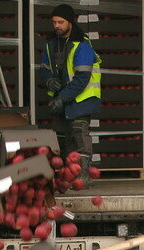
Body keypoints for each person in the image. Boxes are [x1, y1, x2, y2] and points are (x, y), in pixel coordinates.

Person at [41, 4, 102, 188]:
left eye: (61, 22)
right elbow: (44, 68)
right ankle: (69, 176)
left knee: (79, 135)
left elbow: (82, 78)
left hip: (81, 100)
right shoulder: (51, 44)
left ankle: (84, 176)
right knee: (64, 139)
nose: (57, 25)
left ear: (71, 22)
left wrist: (62, 98)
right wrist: (49, 80)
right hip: (64, 101)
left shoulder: (82, 45)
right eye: (54, 22)